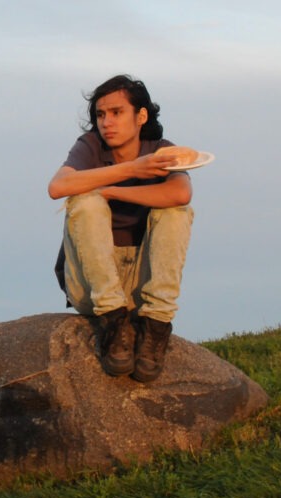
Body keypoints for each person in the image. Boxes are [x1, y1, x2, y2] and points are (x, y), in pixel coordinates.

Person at [47, 74, 194, 383]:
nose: (106, 122)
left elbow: (181, 193)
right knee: (85, 202)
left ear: (141, 116)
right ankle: (114, 324)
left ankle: (156, 326)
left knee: (175, 212)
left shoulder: (161, 150)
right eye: (101, 114)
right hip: (92, 288)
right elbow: (58, 187)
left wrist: (113, 192)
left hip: (141, 283)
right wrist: (131, 169)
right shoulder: (90, 146)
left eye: (116, 112)